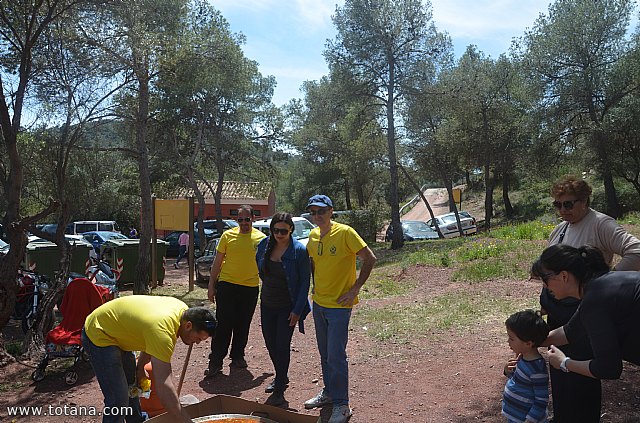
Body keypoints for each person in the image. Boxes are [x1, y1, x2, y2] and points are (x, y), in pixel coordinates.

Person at [541, 175, 640, 422]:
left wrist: (611, 281)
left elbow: (636, 250)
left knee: (582, 373)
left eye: (568, 204)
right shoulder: (560, 230)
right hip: (564, 311)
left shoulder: (600, 223)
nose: (563, 210)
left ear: (585, 201)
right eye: (558, 205)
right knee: (560, 369)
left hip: (590, 307)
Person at [81, 295, 216, 423]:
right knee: (118, 398)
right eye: (198, 338)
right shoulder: (163, 332)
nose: (197, 343)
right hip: (99, 332)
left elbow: (150, 338)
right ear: (188, 326)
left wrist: (140, 370)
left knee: (132, 388)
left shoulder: (182, 312)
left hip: (118, 331)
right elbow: (164, 386)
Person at [303, 194, 377, 423]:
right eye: (313, 212)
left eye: (321, 211)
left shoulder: (346, 232)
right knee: (325, 354)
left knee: (336, 355)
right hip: (319, 304)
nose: (317, 216)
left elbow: (370, 258)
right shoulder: (313, 235)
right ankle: (329, 393)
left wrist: (355, 289)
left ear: (331, 211)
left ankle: (342, 405)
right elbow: (314, 264)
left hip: (339, 306)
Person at [532, 245, 640, 390]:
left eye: (545, 279)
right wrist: (530, 340)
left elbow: (608, 368)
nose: (545, 286)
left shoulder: (595, 300)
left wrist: (564, 362)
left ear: (564, 276)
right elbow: (570, 331)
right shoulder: (600, 287)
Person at [255, 212, 311, 407]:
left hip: (288, 307)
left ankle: (279, 388)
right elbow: (260, 269)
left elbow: (305, 282)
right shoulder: (264, 245)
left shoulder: (299, 251)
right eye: (276, 230)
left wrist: (297, 310)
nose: (279, 234)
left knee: (282, 345)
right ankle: (281, 375)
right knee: (270, 343)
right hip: (268, 304)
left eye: (283, 231)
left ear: (291, 230)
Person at [206, 205, 266, 376]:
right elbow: (217, 263)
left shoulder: (261, 239)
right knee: (223, 324)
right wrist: (211, 286)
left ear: (253, 219)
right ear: (236, 221)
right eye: (240, 220)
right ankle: (215, 362)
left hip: (250, 287)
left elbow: (266, 265)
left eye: (247, 219)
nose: (244, 223)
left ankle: (238, 356)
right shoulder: (228, 236)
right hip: (227, 285)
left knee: (243, 324)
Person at [502, 310, 550, 423]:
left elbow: (541, 400)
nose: (508, 341)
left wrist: (530, 420)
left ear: (528, 343)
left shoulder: (537, 369)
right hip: (515, 417)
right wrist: (507, 370)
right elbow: (519, 381)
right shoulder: (522, 358)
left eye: (512, 338)